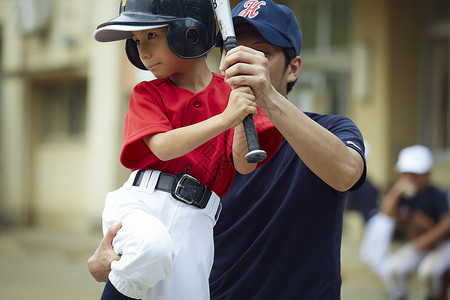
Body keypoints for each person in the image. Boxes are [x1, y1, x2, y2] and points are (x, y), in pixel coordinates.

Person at [88, 1, 367, 299]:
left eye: (260, 53)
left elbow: (347, 173)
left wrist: (266, 97)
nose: (242, 62)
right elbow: (151, 227)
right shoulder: (196, 123)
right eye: (232, 51)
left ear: (293, 68)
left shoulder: (331, 130)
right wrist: (104, 263)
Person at [90, 0, 279, 299]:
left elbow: (244, 164)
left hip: (199, 221)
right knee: (150, 248)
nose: (143, 51)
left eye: (151, 36)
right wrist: (226, 118)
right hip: (145, 202)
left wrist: (243, 106)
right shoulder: (148, 92)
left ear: (191, 32)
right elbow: (163, 147)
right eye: (137, 41)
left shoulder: (229, 93)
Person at [360, 145, 450, 300]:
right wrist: (396, 190)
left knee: (428, 272)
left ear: (427, 173)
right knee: (395, 269)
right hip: (420, 244)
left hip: (442, 244)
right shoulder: (405, 195)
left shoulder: (436, 194)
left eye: (415, 174)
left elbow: (447, 222)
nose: (410, 178)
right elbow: (386, 213)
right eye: (406, 174)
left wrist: (428, 238)